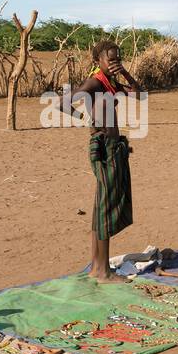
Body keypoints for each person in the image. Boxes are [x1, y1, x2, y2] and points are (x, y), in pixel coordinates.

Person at [64, 40, 142, 282]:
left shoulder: (110, 82)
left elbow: (139, 95)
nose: (115, 63)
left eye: (119, 58)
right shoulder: (95, 82)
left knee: (102, 206)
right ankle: (103, 271)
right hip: (104, 147)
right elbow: (64, 104)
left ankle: (98, 267)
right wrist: (91, 122)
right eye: (111, 59)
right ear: (98, 60)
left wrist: (126, 73)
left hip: (113, 146)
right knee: (106, 208)